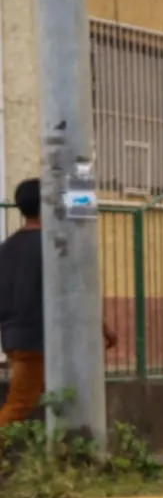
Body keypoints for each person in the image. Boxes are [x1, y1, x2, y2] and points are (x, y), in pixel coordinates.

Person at [0, 178, 118, 427]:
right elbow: (75, 292)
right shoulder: (55, 248)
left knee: (55, 402)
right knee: (18, 407)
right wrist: (102, 327)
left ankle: (57, 455)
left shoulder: (7, 248)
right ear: (48, 203)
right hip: (42, 341)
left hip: (16, 339)